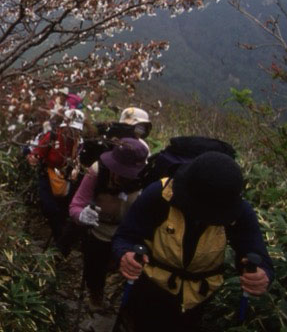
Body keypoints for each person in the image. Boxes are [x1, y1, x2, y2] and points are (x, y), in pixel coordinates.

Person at [111, 151, 273, 331]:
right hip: (150, 288)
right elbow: (125, 236)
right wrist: (125, 254)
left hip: (199, 298)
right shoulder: (160, 195)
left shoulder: (237, 210)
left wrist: (260, 274)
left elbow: (256, 252)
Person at [69, 138, 149, 309]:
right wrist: (81, 216)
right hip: (99, 230)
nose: (120, 176)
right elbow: (76, 205)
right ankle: (96, 297)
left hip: (128, 235)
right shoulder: (98, 171)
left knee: (125, 268)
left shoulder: (146, 180)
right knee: (94, 269)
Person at [27, 108, 85, 248]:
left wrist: (76, 169)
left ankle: (60, 243)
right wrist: (33, 158)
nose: (72, 132)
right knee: (50, 208)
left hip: (66, 178)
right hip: (48, 175)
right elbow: (37, 153)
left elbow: (78, 159)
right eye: (70, 129)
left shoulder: (79, 142)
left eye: (75, 130)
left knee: (64, 212)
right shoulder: (52, 137)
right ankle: (59, 241)